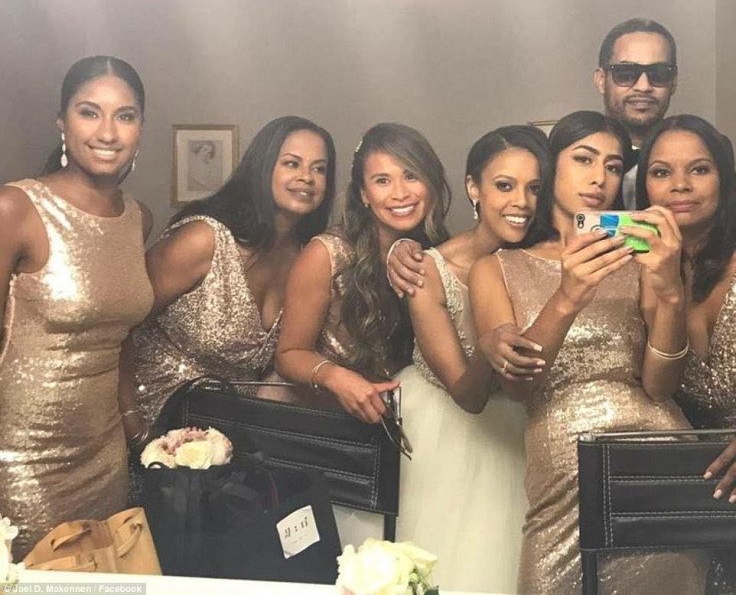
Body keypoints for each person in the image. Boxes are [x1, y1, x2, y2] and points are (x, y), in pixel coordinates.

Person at [470, 111, 707, 594]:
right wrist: (568, 295)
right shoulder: (497, 268)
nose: (600, 177)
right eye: (583, 159)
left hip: (655, 468)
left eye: (615, 166)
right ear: (549, 167)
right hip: (561, 482)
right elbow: (518, 386)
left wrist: (670, 292)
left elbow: (661, 386)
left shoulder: (647, 256)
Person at [0, 55, 153, 557]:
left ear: (140, 129)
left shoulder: (138, 218)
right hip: (20, 462)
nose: (108, 131)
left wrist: (137, 429)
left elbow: (122, 336)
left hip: (104, 455)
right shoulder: (16, 209)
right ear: (63, 124)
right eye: (90, 112)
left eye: (124, 116)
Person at [394, 126, 551, 593]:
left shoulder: (543, 261)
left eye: (535, 187)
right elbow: (466, 392)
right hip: (450, 431)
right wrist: (490, 347)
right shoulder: (428, 268)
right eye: (505, 185)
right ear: (473, 188)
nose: (521, 201)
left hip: (528, 426)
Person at [122, 116, 336, 441]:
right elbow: (115, 327)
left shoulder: (308, 259)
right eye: (292, 163)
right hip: (152, 422)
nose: (307, 177)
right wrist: (133, 424)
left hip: (228, 434)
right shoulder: (204, 239)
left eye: (319, 169)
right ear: (263, 168)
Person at [275, 122, 450, 422]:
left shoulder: (439, 252)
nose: (400, 193)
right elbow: (288, 355)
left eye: (411, 176)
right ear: (364, 194)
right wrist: (336, 378)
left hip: (404, 420)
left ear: (430, 182)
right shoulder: (325, 254)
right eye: (383, 180)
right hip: (327, 420)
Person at [636, 114, 736, 593]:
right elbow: (659, 386)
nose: (680, 185)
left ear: (724, 177)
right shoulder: (637, 266)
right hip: (693, 489)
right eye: (661, 172)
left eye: (699, 169)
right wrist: (668, 288)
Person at [594, 18, 678, 208]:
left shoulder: (706, 159)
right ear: (600, 80)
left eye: (659, 73)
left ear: (673, 82)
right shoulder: (560, 159)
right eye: (626, 73)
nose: (643, 86)